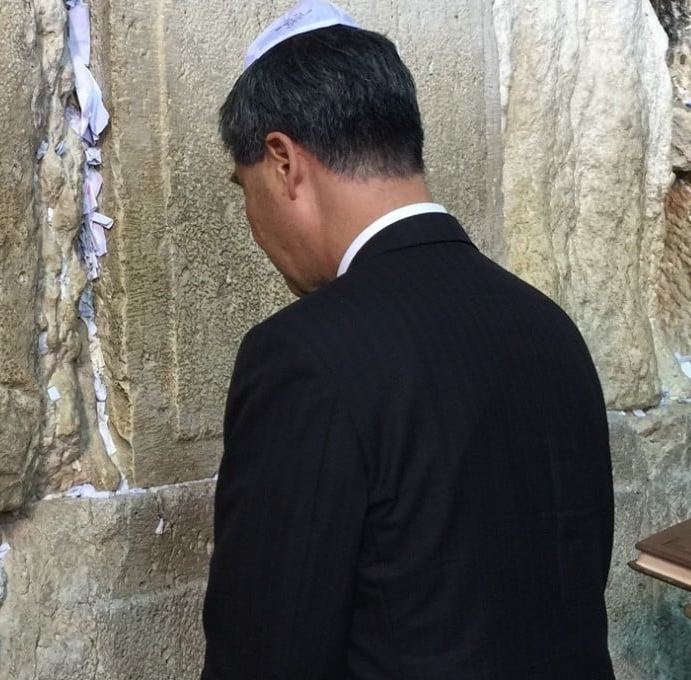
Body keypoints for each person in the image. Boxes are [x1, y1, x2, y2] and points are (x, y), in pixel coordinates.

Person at [200, 2, 616, 678]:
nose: (253, 219)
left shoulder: (305, 356)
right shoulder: (549, 328)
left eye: (242, 187)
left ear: (282, 163)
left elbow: (265, 651)